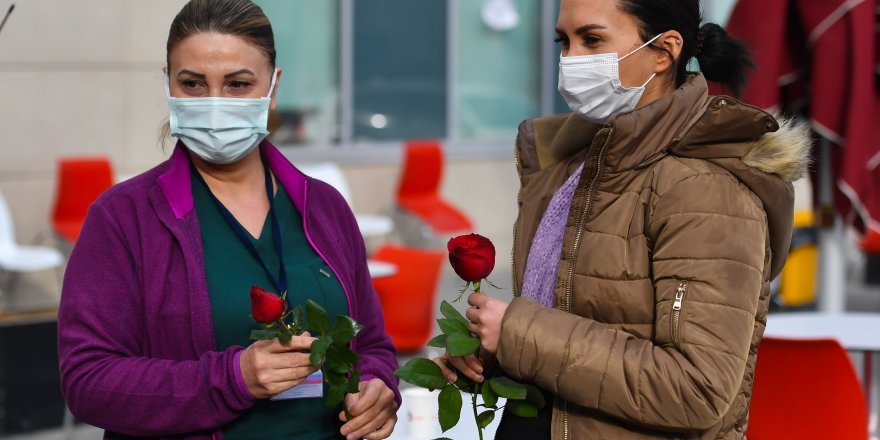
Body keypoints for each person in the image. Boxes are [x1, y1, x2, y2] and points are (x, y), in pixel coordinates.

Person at [435, 0, 811, 438]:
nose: (570, 59)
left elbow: (697, 388)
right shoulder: (579, 163)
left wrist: (519, 333)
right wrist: (490, 352)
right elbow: (576, 321)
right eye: (564, 40)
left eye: (592, 39)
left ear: (664, 51)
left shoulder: (705, 189)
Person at [57, 1, 398, 439]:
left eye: (238, 84)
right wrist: (231, 379)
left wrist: (376, 386)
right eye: (193, 84)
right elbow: (88, 380)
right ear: (168, 85)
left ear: (273, 89)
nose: (215, 104)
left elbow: (370, 345)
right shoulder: (124, 217)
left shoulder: (323, 207)